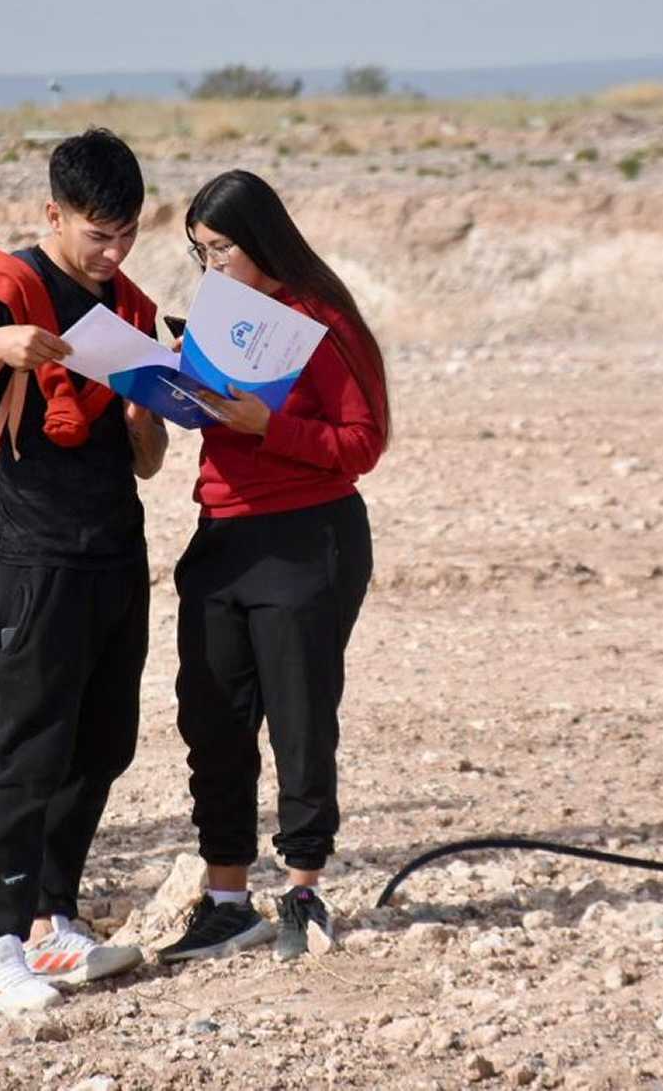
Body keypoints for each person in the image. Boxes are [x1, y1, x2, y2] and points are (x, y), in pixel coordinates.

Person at [0, 128, 167, 1013]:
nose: (114, 250)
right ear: (52, 213)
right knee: (25, 745)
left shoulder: (130, 304)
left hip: (113, 549)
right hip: (32, 553)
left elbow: (147, 461)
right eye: (98, 234)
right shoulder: (7, 290)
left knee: (102, 740)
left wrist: (148, 408)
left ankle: (54, 919)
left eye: (128, 232)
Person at [156, 170, 388, 965]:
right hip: (222, 533)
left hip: (306, 537)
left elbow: (363, 443)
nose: (211, 264)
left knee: (300, 715)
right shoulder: (220, 319)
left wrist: (270, 425)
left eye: (221, 248)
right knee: (212, 716)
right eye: (199, 251)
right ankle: (226, 898)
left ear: (262, 242)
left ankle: (303, 889)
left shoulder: (321, 323)